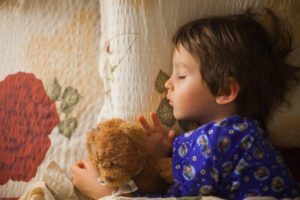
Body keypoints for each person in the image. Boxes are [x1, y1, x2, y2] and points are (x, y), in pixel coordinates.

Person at [71, 8, 300, 199]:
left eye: (181, 75)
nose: (168, 83)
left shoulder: (222, 139)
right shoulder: (245, 136)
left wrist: (105, 193)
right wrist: (164, 156)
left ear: (225, 90)